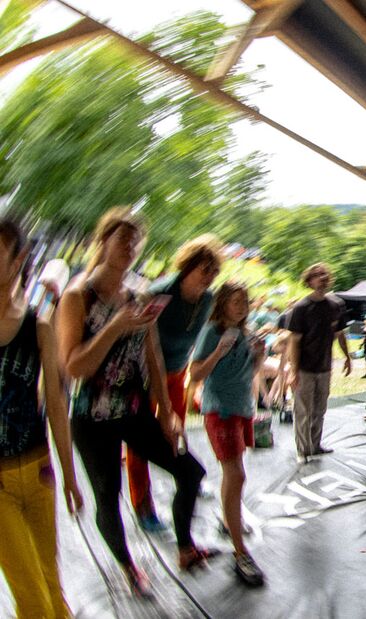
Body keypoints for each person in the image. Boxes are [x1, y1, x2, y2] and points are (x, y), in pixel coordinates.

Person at [56, 208, 212, 597]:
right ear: (102, 241)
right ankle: (128, 567)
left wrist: (167, 411)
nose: (130, 246)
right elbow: (73, 367)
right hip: (91, 417)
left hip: (135, 409)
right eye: (123, 238)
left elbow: (154, 356)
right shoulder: (78, 297)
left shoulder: (139, 295)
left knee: (190, 473)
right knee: (108, 497)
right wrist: (114, 327)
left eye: (136, 241)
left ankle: (185, 547)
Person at [0, 219, 83, 618]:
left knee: (51, 586)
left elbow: (55, 404)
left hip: (37, 471)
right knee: (32, 595)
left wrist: (68, 474)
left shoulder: (39, 326)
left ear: (17, 261)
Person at [127, 234, 221, 532]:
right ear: (188, 267)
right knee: (142, 442)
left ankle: (186, 478)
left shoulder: (207, 299)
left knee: (177, 430)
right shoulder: (160, 293)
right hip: (145, 377)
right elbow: (139, 339)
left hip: (178, 374)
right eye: (204, 270)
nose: (209, 277)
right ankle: (142, 504)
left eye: (214, 271)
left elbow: (205, 334)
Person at [189, 282, 266, 587]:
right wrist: (218, 353)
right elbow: (194, 375)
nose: (242, 306)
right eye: (235, 301)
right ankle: (240, 552)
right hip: (219, 410)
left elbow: (250, 372)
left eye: (245, 301)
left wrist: (258, 356)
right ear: (222, 304)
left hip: (241, 409)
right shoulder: (213, 332)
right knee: (236, 475)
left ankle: (229, 516)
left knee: (233, 476)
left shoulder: (245, 334)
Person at [286, 263, 351, 463]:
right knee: (303, 410)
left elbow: (340, 334)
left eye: (325, 274)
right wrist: (293, 371)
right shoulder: (301, 308)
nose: (322, 278)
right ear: (309, 281)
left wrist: (347, 357)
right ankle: (302, 450)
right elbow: (294, 341)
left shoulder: (335, 306)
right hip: (305, 368)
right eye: (317, 275)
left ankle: (315, 445)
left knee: (319, 409)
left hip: (324, 367)